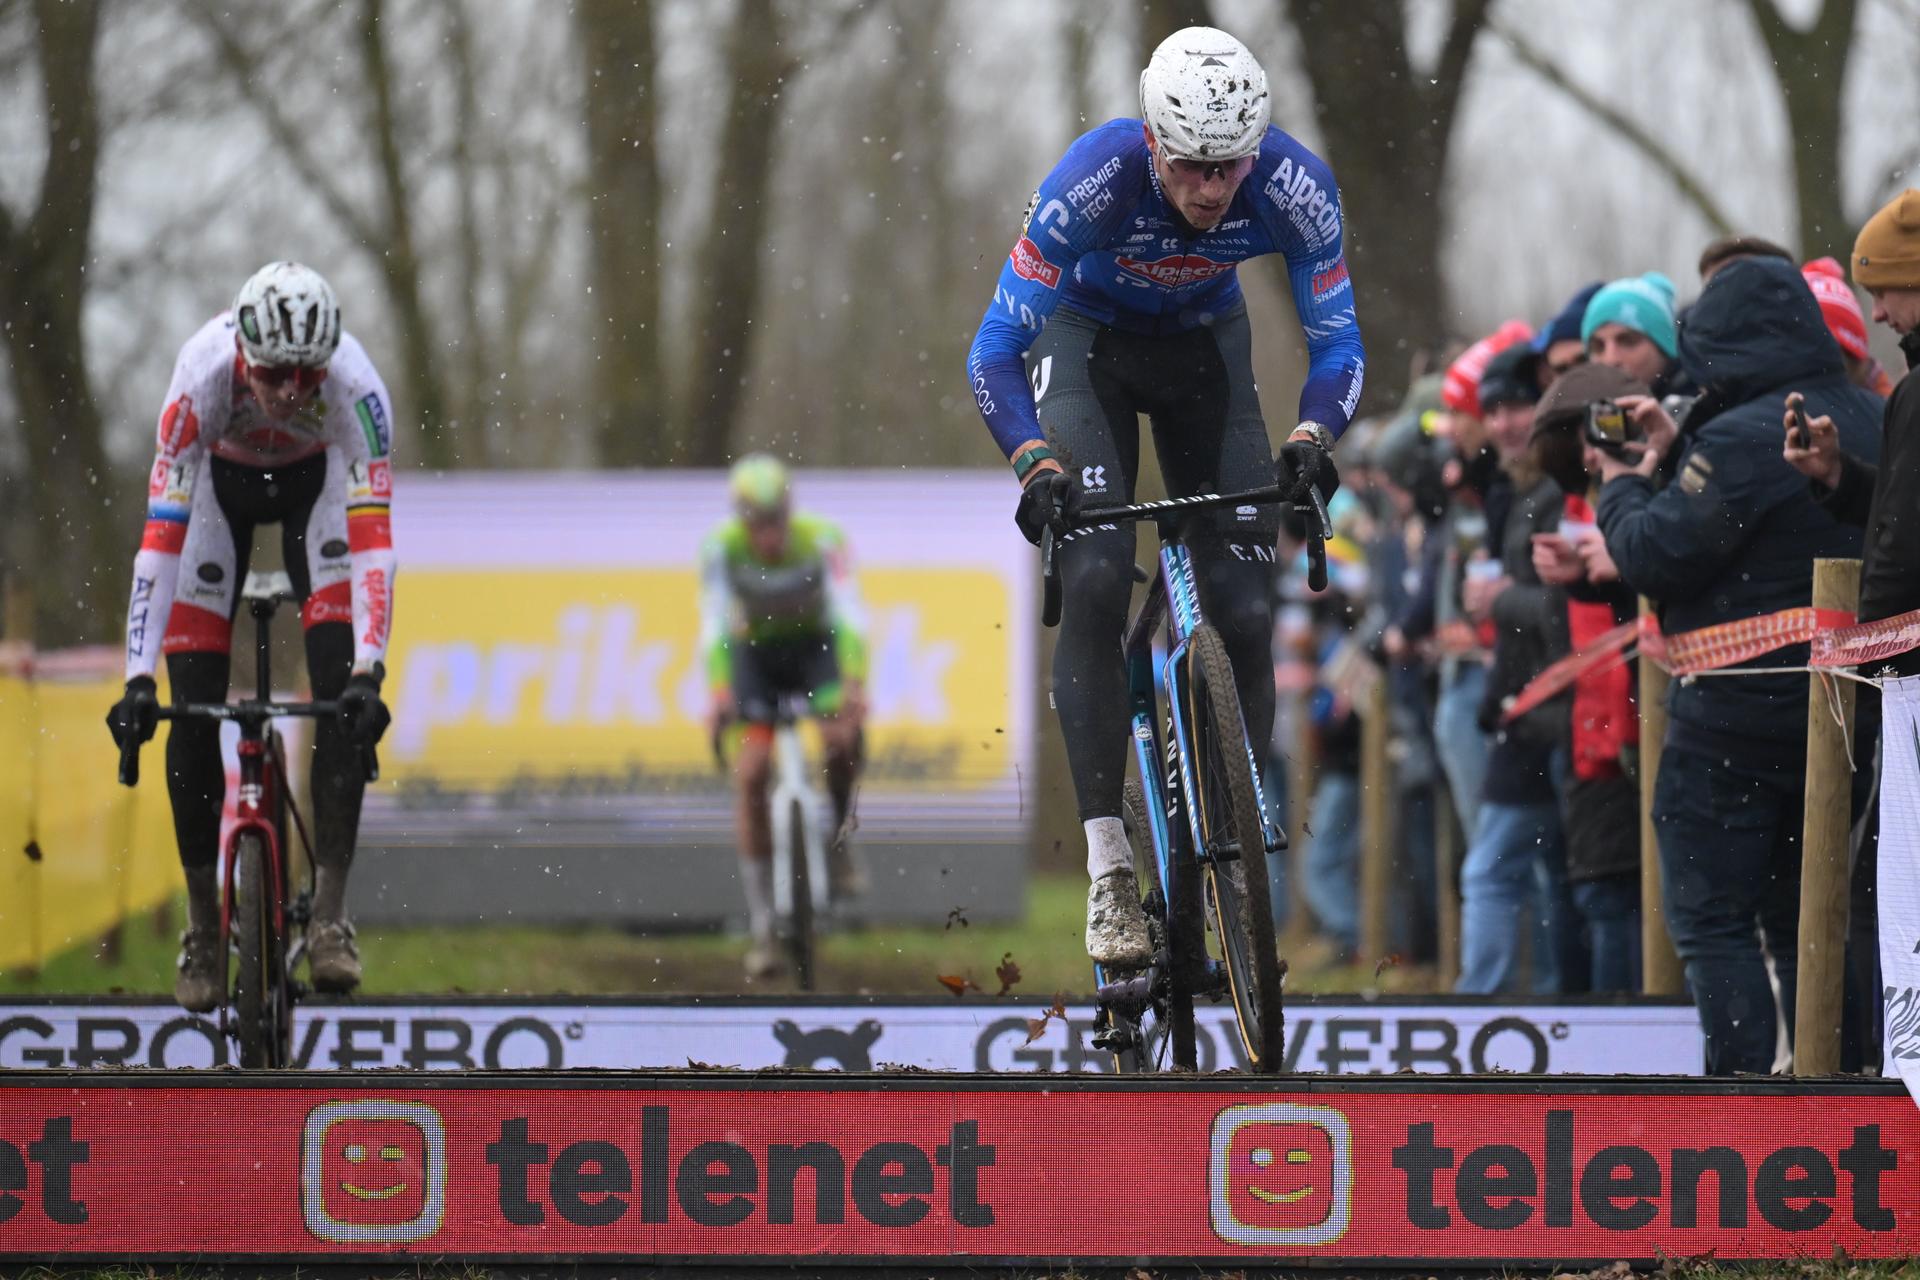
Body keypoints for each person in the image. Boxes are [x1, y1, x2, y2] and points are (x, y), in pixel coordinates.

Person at [963, 26, 1365, 964]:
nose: (1211, 190)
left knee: (1247, 606)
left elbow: (1338, 343)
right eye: (1189, 166)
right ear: (1152, 141)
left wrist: (1312, 437)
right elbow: (992, 352)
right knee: (1099, 578)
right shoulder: (1093, 180)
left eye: (1230, 167)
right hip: (1086, 346)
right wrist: (1034, 461)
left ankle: (1233, 847)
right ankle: (1109, 871)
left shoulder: (1295, 186)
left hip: (1203, 352)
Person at [1595, 254, 1884, 1073]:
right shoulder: (1873, 416)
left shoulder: (1740, 437)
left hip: (1734, 725)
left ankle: (1740, 1098)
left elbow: (1655, 555)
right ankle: (1832, 1086)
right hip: (1846, 720)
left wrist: (1621, 482)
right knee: (1812, 920)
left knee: (1712, 918)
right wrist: (1679, 447)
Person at [104, 262, 396, 1010]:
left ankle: (329, 916)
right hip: (218, 489)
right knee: (191, 704)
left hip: (314, 487)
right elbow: (159, 544)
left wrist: (369, 670)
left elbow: (372, 542)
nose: (291, 392)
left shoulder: (357, 389)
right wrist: (137, 679)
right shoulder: (198, 378)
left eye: (307, 374)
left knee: (341, 699)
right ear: (241, 352)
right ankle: (204, 927)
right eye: (272, 373)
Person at [700, 454, 869, 979]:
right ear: (742, 519)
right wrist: (720, 693)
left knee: (841, 740)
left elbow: (849, 612)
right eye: (758, 522)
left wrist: (854, 682)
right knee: (751, 774)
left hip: (816, 651)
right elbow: (714, 625)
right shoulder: (721, 549)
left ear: (790, 512)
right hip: (756, 659)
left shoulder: (823, 539)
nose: (769, 534)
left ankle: (839, 838)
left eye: (777, 519)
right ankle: (762, 929)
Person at [1453, 342, 1580, 995]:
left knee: (1492, 872)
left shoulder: (1556, 493)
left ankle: (1479, 1013)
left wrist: (1499, 600)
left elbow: (1567, 611)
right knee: (1553, 877)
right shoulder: (1518, 491)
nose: (1503, 423)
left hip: (1548, 712)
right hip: (1531, 712)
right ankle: (1557, 1007)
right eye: (1492, 410)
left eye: (1518, 407)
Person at [1583, 272, 1684, 395]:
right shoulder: (1580, 402)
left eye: (1628, 341)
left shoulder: (1699, 400)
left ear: (1663, 346)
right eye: (1598, 346)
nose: (1611, 360)